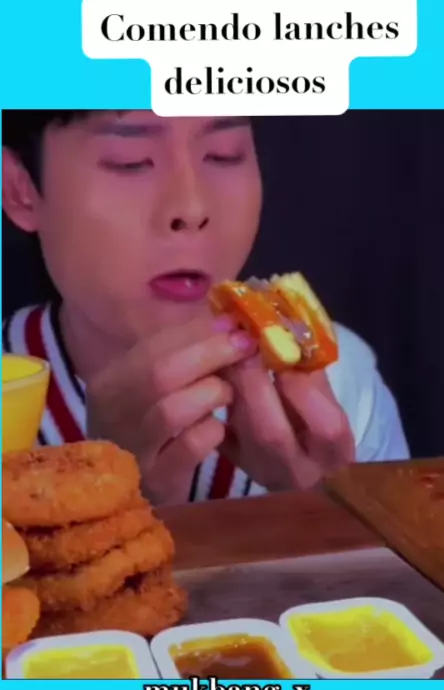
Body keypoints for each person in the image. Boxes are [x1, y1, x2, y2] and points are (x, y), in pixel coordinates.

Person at [2, 110, 409, 505]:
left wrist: (323, 516)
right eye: (131, 163)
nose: (193, 208)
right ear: (20, 190)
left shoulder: (341, 383)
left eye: (223, 154)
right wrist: (112, 499)